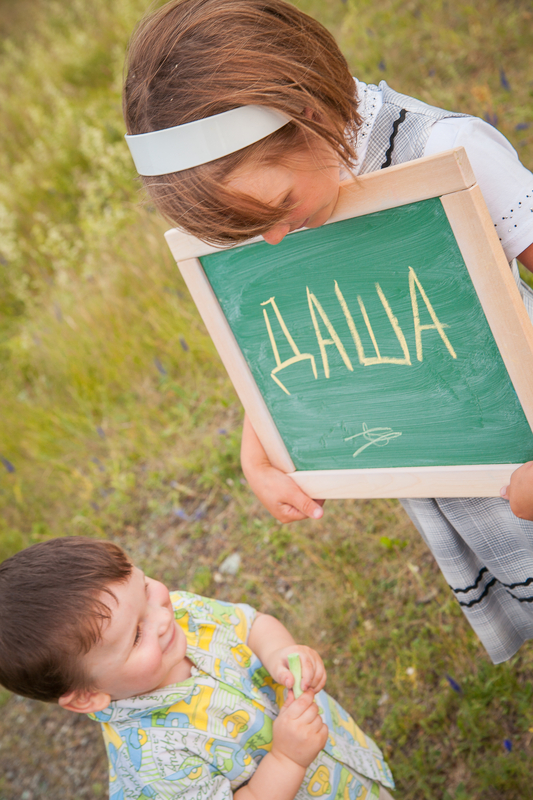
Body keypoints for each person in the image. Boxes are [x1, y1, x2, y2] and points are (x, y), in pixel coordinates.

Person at [122, 0, 533, 665]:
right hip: (454, 454)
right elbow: (297, 323)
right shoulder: (275, 200)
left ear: (310, 115)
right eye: (245, 233)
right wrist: (260, 446)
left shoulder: (443, 151)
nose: (273, 240)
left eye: (278, 209)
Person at [0, 537, 395, 800]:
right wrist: (288, 759)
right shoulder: (155, 764)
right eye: (136, 636)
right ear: (87, 696)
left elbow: (252, 624)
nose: (162, 618)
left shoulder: (180, 611)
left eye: (146, 589)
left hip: (344, 760)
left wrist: (281, 652)